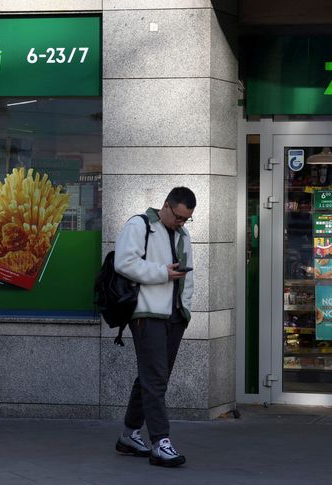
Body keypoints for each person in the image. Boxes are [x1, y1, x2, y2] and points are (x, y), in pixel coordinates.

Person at [113, 187, 195, 467]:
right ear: (167, 206)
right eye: (179, 217)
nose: (182, 223)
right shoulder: (140, 225)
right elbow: (123, 263)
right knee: (155, 378)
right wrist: (161, 274)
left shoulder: (183, 234)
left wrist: (185, 310)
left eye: (187, 219)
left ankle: (128, 434)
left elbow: (188, 276)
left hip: (175, 317)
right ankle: (160, 442)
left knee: (151, 377)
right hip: (146, 314)